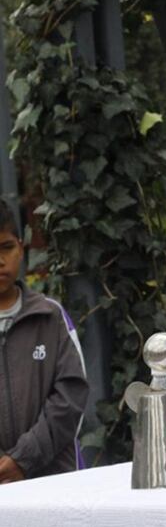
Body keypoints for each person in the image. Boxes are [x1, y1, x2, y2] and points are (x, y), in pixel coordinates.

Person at [0, 203, 88, 482]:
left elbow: (71, 398)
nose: (0, 260)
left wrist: (22, 460)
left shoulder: (51, 316)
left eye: (6, 247)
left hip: (54, 485)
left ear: (21, 249)